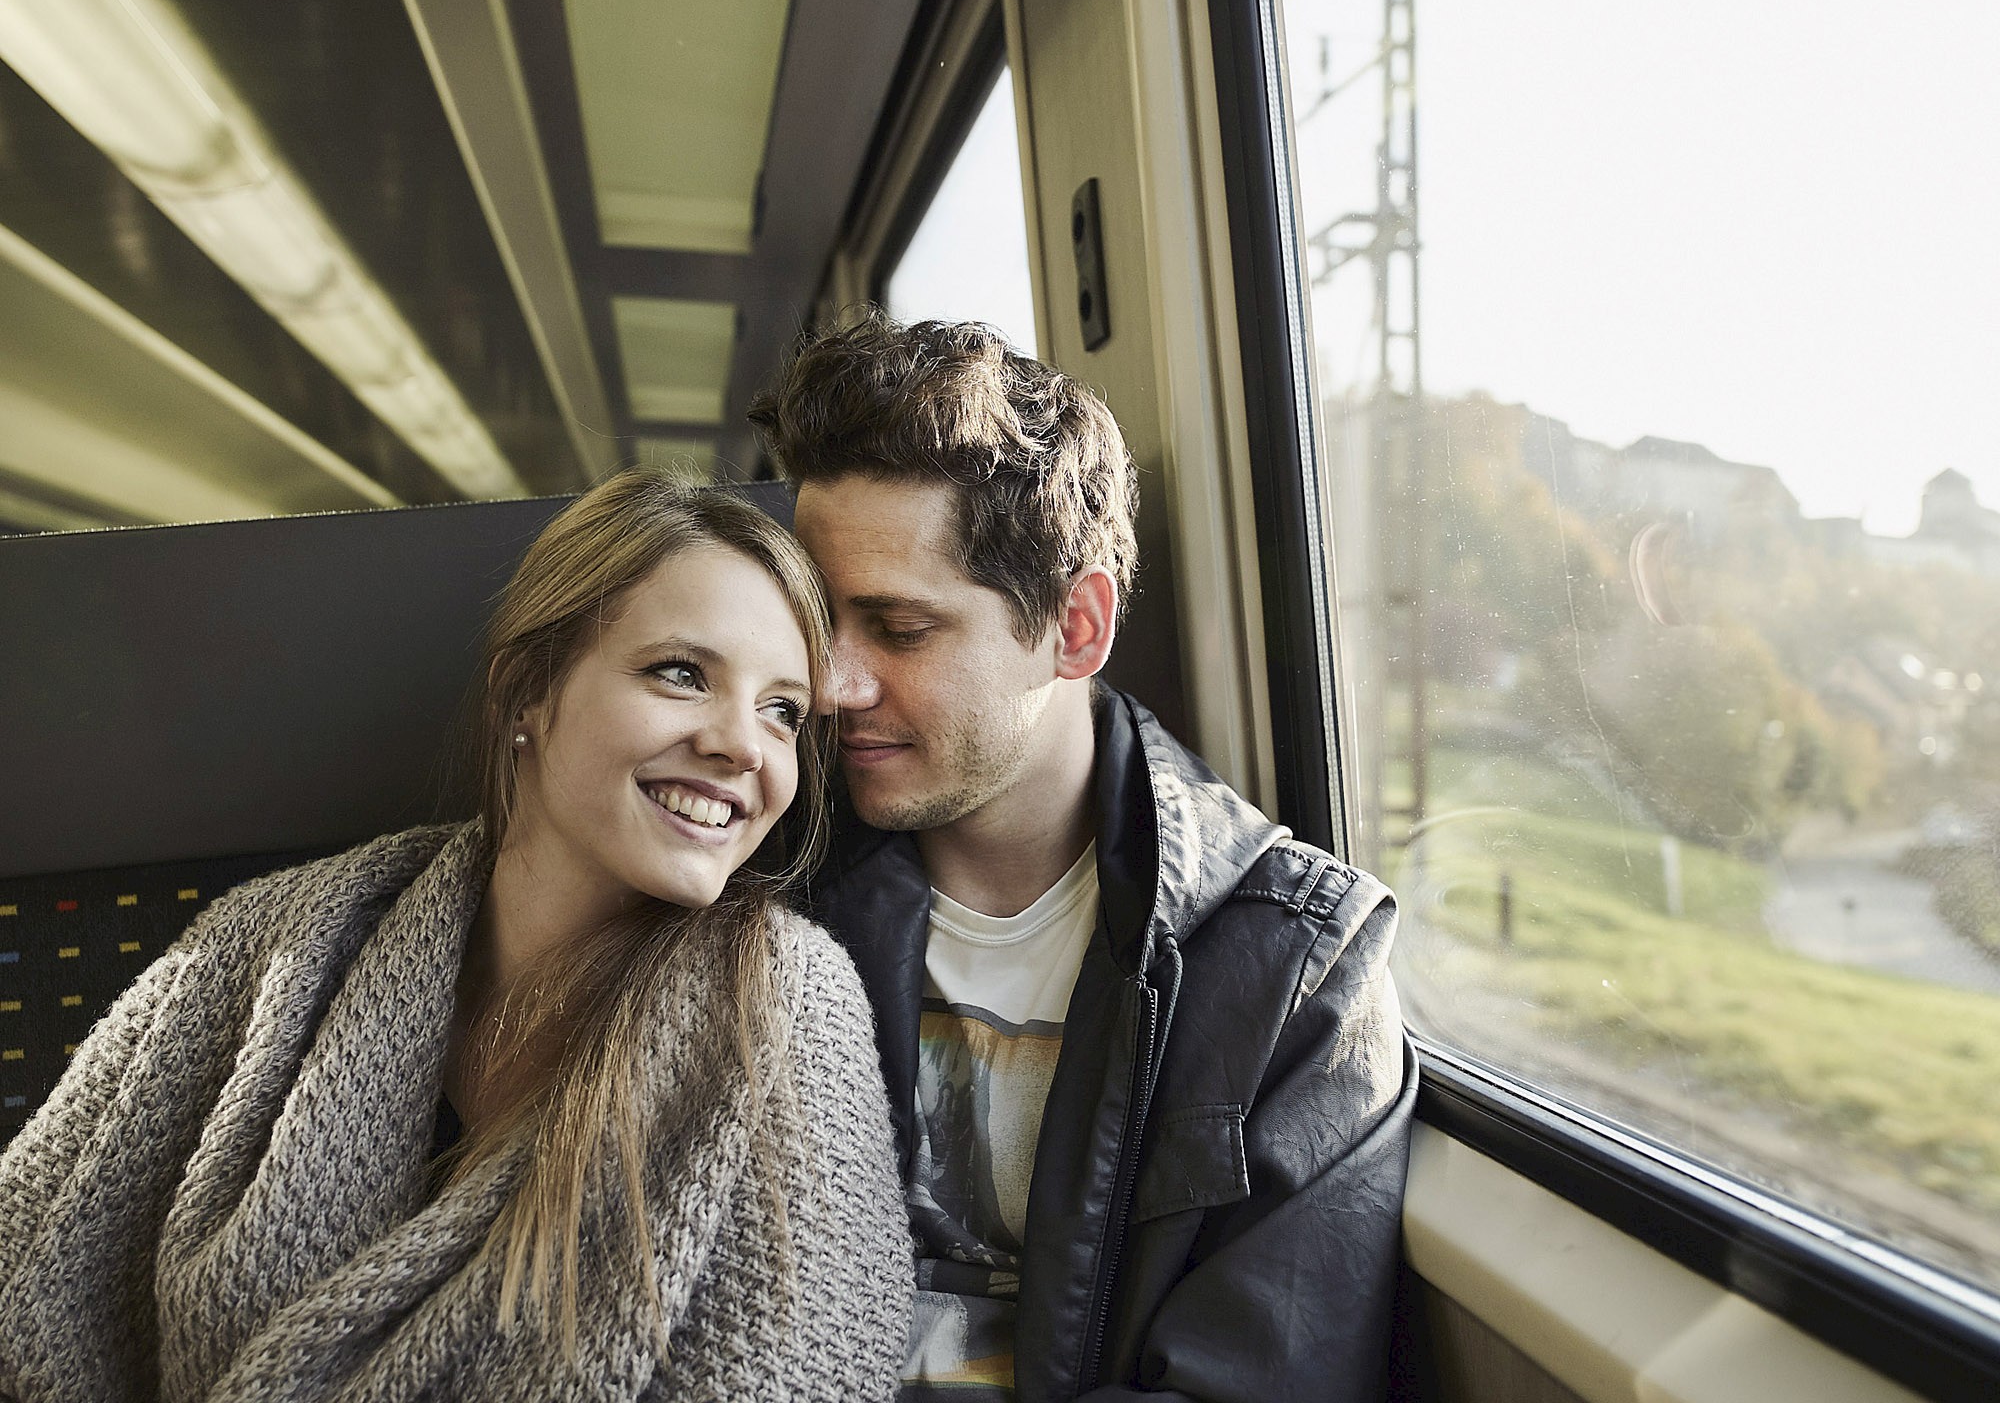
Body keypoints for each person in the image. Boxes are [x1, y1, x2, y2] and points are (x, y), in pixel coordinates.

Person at [0, 471, 912, 1403]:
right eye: (681, 673)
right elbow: (32, 1266)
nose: (744, 746)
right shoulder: (277, 945)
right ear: (528, 694)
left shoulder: (787, 1005)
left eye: (783, 711)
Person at [749, 312, 1416, 1403]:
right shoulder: (761, 864)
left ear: (1075, 626)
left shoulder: (1296, 972)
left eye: (899, 629)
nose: (832, 684)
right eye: (820, 622)